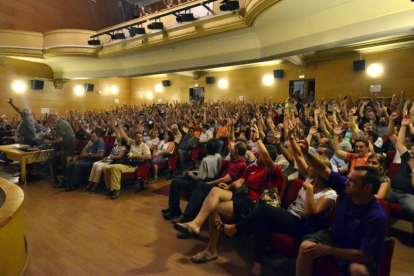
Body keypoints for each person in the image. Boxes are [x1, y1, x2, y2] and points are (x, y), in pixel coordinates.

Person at [216, 135, 337, 276]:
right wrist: (291, 138)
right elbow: (298, 156)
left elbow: (310, 212)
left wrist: (309, 189)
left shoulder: (330, 194)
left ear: (320, 173)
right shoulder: (310, 178)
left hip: (304, 224)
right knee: (262, 221)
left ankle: (235, 229)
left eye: (312, 167)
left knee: (264, 210)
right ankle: (258, 263)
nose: (308, 166)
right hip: (290, 215)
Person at [174, 125, 284, 264]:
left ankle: (211, 250)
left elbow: (267, 158)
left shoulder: (273, 172)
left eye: (260, 154)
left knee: (215, 209)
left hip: (253, 202)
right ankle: (196, 224)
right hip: (241, 195)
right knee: (214, 191)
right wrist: (228, 186)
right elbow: (239, 182)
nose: (256, 155)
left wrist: (258, 139)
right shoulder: (253, 167)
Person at [295, 139, 387, 276]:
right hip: (334, 236)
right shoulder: (347, 188)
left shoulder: (377, 216)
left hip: (354, 248)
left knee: (359, 271)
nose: (347, 183)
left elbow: (366, 256)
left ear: (368, 188)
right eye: (348, 179)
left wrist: (328, 250)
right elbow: (322, 168)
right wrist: (306, 152)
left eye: (352, 181)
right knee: (306, 247)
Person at [163, 139, 222, 220]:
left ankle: (175, 210)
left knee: (174, 182)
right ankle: (172, 207)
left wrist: (191, 174)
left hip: (202, 184)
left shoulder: (205, 160)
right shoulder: (218, 156)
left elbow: (199, 181)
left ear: (207, 147)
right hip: (211, 180)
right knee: (178, 178)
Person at [103, 123, 151, 200]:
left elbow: (149, 156)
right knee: (106, 168)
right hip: (127, 163)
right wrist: (119, 126)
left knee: (115, 168)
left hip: (135, 165)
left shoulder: (144, 146)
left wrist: (136, 156)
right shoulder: (132, 142)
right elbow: (124, 135)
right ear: (135, 138)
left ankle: (116, 190)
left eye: (141, 137)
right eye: (138, 137)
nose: (139, 139)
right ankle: (110, 188)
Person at [386, 114, 414, 242]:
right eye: (411, 152)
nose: (411, 153)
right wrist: (403, 126)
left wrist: (413, 169)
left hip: (407, 194)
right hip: (392, 190)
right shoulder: (407, 157)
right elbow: (400, 143)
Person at [45, 113, 77, 182]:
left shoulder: (61, 124)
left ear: (53, 119)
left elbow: (60, 139)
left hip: (69, 144)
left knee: (63, 161)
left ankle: (66, 179)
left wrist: (50, 142)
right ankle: (65, 178)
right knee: (59, 160)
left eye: (51, 121)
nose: (52, 123)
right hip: (67, 144)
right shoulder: (61, 123)